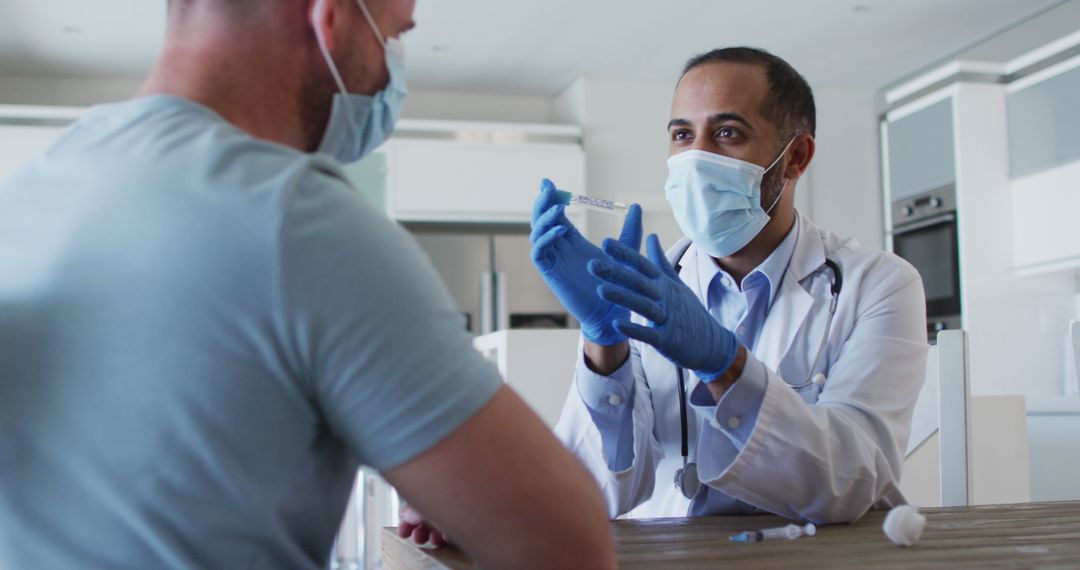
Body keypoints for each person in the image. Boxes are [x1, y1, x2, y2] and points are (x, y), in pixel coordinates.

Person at [0, 1, 616, 568]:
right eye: (394, 36)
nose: (390, 74)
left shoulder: (31, 190)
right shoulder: (295, 219)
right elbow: (567, 546)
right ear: (331, 18)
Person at [530, 47, 928, 523]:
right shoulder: (638, 288)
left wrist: (729, 368)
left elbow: (852, 480)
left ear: (796, 156)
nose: (697, 157)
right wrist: (604, 347)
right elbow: (591, 495)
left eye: (726, 133)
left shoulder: (878, 284)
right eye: (682, 135)